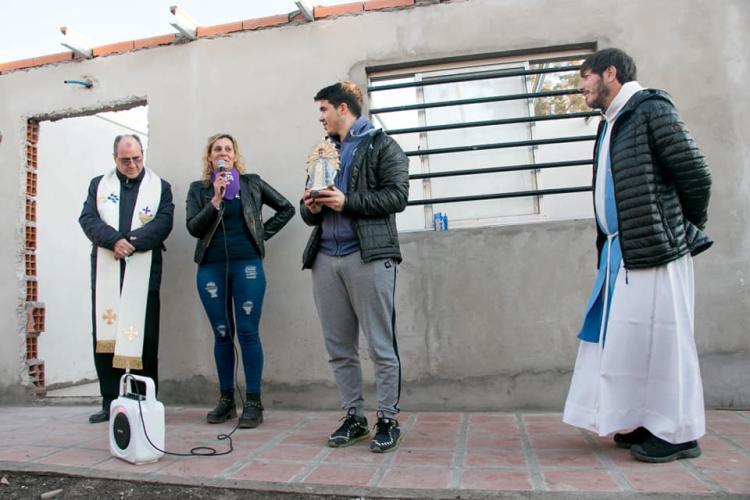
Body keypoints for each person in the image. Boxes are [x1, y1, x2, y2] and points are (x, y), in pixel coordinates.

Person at [562, 48, 712, 462]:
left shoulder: (650, 109)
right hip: (623, 254)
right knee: (634, 343)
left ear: (610, 72)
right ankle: (649, 420)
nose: (581, 86)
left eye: (586, 76)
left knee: (666, 342)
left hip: (657, 249)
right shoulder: (611, 123)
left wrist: (680, 228)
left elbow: (696, 174)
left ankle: (680, 434)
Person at [300, 81, 409, 453]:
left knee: (381, 344)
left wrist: (347, 201)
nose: (321, 118)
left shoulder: (382, 144)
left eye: (324, 110)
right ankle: (354, 418)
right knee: (338, 348)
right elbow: (306, 209)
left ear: (343, 108)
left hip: (369, 257)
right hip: (325, 260)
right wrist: (311, 207)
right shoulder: (322, 151)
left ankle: (388, 419)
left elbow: (397, 196)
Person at [187, 133, 295, 428]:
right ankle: (226, 400)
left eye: (228, 149)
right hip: (211, 268)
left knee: (247, 332)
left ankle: (253, 402)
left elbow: (287, 208)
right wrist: (216, 200)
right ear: (210, 157)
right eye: (217, 149)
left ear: (235, 155)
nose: (222, 153)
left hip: (247, 265)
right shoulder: (199, 189)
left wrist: (260, 235)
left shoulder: (252, 183)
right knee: (222, 333)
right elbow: (194, 228)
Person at [79, 134, 174, 424]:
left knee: (144, 336)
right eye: (125, 160)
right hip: (108, 269)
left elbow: (164, 221)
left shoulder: (160, 188)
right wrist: (114, 241)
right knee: (106, 337)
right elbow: (88, 219)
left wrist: (133, 242)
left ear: (143, 154)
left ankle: (143, 398)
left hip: (144, 271)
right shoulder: (99, 185)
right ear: (114, 159)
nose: (131, 164)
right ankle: (110, 400)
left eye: (136, 158)